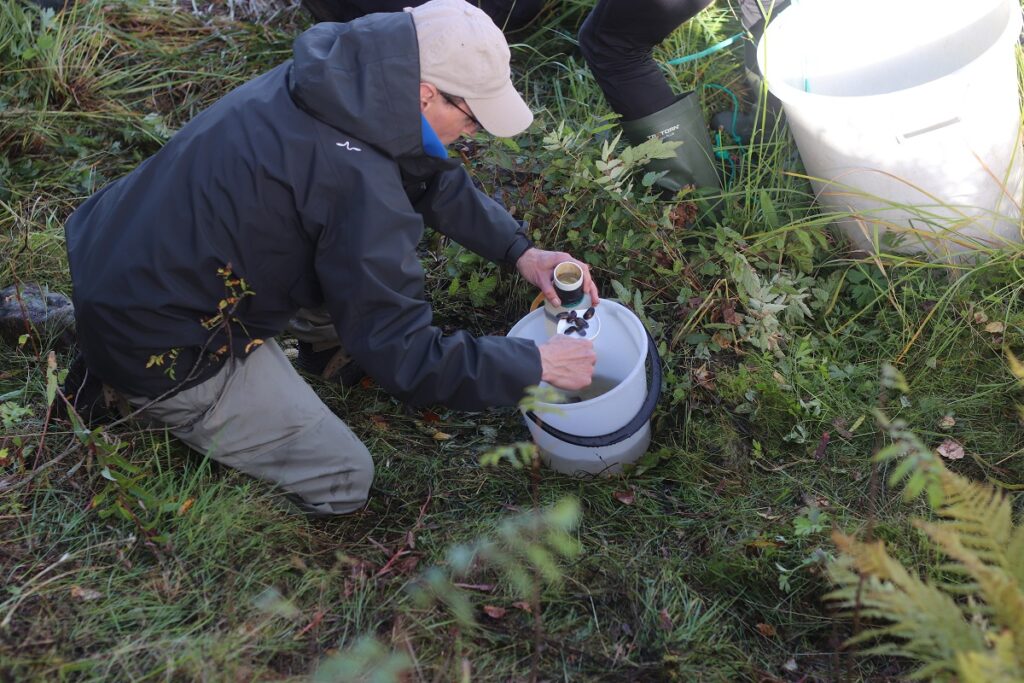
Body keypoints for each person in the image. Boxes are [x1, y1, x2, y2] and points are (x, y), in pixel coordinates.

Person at [62, 0, 598, 516]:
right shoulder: (357, 184)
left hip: (120, 247)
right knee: (345, 479)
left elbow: (423, 174)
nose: (474, 132)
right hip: (162, 337)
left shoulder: (342, 77)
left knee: (348, 264)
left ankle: (321, 350)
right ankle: (126, 389)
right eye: (473, 117)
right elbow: (407, 355)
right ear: (425, 94)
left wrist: (521, 251)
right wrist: (534, 364)